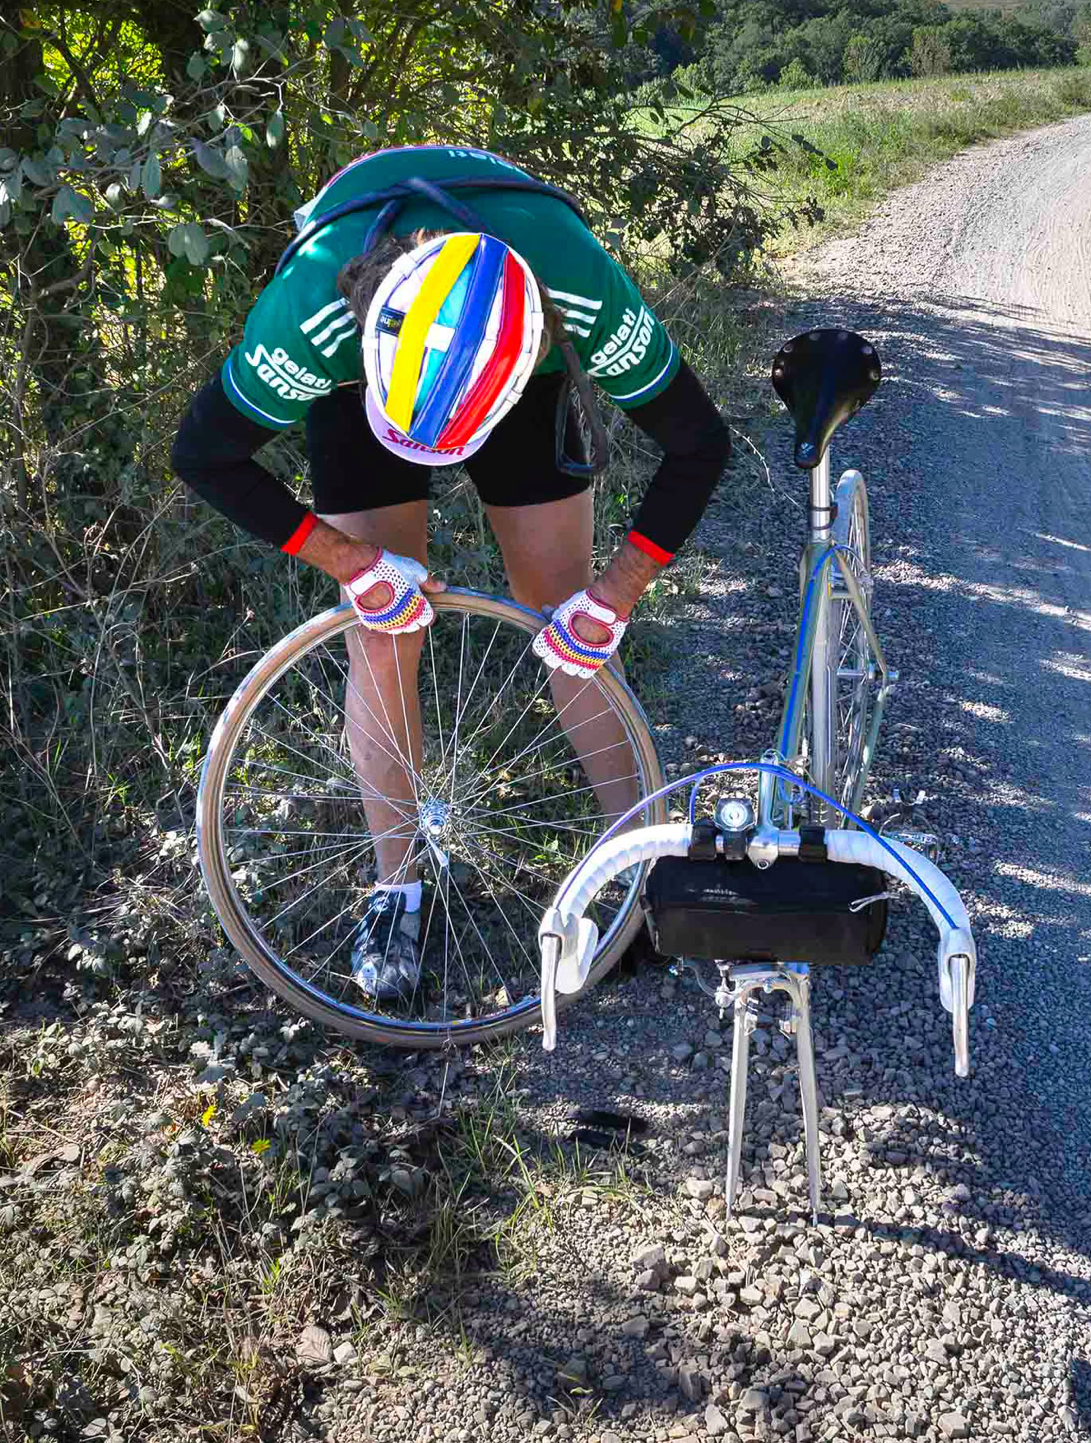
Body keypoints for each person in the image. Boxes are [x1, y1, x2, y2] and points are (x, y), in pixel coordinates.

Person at [172, 144, 732, 1002]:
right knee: (382, 628)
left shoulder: (576, 283)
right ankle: (394, 889)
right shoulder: (311, 312)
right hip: (365, 380)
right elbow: (203, 455)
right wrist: (352, 563)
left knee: (566, 614)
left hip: (524, 358)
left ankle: (638, 866)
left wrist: (614, 597)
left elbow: (700, 444)